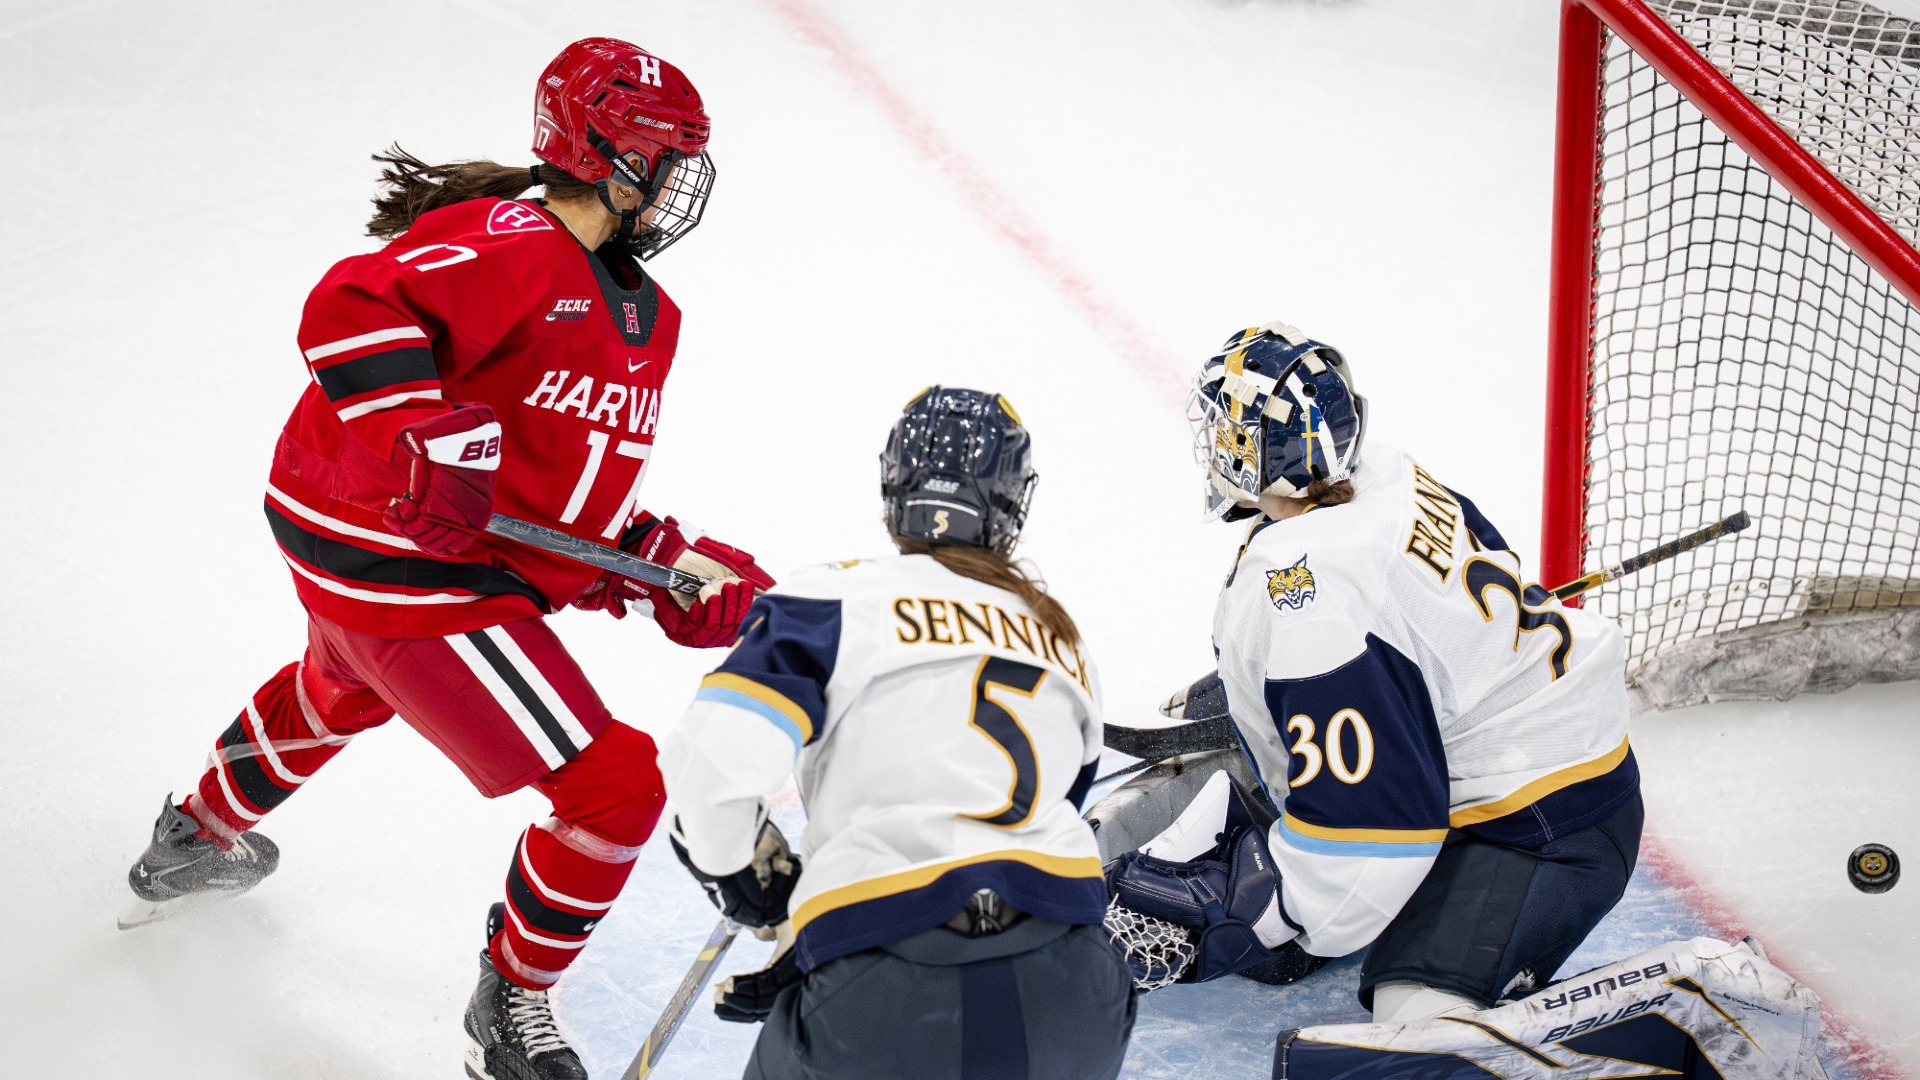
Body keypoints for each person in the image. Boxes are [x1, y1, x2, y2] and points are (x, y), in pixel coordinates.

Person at [121, 38, 772, 1080]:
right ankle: (509, 1002)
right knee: (614, 789)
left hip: (379, 562)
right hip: (403, 561)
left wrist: (656, 566)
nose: (678, 187)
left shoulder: (643, 314)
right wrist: (420, 431)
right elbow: (354, 307)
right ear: (611, 155)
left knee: (340, 685)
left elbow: (548, 498)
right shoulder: (513, 238)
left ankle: (196, 835)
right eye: (668, 159)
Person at [1102, 322, 1827, 1078]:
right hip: (1530, 761)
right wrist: (1275, 680)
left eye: (1223, 427)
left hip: (1543, 826)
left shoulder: (1306, 587)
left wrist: (1259, 904)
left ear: (1258, 451)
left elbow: (1374, 833)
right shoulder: (1384, 473)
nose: (1212, 443)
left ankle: (1698, 1008)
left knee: (1417, 1027)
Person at [658, 387, 1137, 1080]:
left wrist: (743, 878)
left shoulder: (827, 600)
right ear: (1011, 502)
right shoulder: (1060, 634)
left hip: (883, 998)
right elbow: (1047, 810)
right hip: (1078, 993)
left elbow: (708, 771)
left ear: (894, 485)